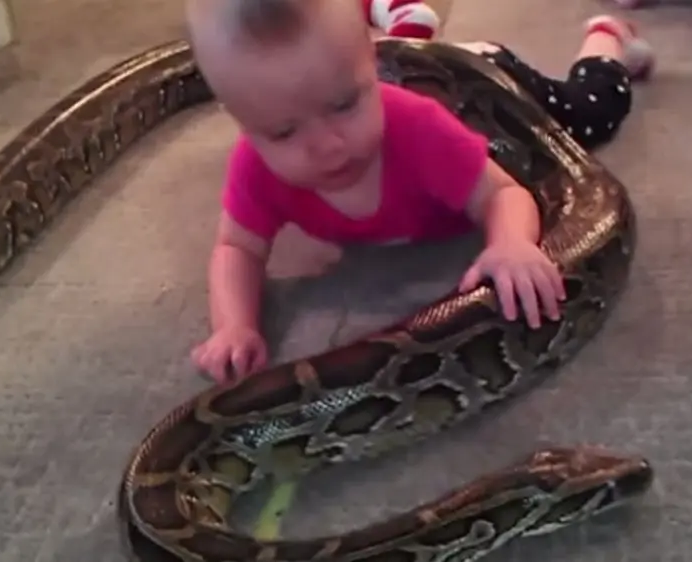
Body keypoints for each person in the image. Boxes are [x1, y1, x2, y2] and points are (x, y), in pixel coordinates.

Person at [185, 0, 655, 384]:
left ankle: (607, 40)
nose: (328, 146)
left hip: (480, 79)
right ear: (241, 122)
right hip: (403, 70)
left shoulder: (417, 129)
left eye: (345, 104)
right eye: (284, 132)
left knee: (589, 114)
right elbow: (236, 247)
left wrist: (511, 242)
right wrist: (234, 325)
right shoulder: (253, 166)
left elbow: (502, 194)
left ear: (373, 61)